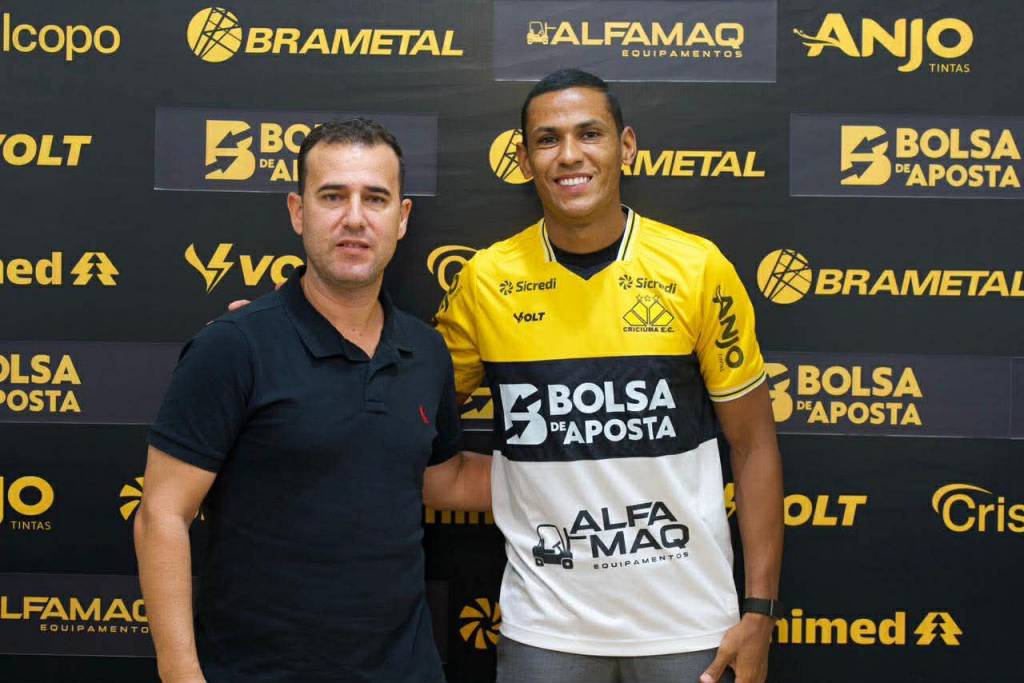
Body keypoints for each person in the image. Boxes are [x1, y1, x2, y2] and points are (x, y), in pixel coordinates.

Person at [432, 69, 784, 683]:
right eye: (547, 139)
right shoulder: (486, 281)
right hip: (546, 627)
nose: (569, 155)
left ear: (626, 146)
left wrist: (759, 611)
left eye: (589, 133)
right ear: (524, 160)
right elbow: (408, 418)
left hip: (690, 625)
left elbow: (753, 445)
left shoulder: (696, 268)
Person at [134, 118, 491, 683]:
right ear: (298, 212)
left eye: (376, 198)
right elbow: (162, 513)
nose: (355, 217)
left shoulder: (425, 350)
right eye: (333, 196)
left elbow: (441, 479)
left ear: (401, 218)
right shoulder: (234, 346)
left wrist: (587, 478)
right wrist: (181, 674)